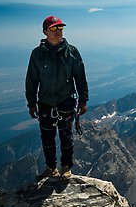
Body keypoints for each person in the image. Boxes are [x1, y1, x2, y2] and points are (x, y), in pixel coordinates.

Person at [25, 15, 89, 179]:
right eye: (54, 28)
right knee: (47, 137)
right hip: (45, 102)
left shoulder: (72, 52)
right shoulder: (37, 54)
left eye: (60, 28)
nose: (58, 31)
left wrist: (83, 100)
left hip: (66, 100)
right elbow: (32, 80)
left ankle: (66, 167)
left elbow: (80, 76)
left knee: (66, 136)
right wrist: (31, 103)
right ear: (45, 31)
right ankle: (51, 168)